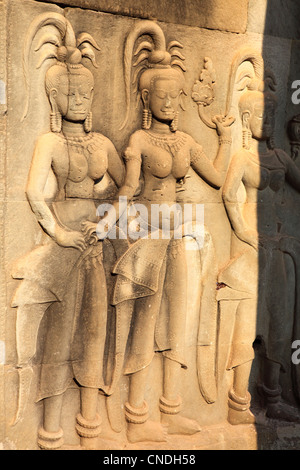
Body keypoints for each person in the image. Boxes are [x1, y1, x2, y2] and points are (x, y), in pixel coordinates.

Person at [91, 20, 234, 443]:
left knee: (180, 320)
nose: (171, 101)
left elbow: (218, 178)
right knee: (144, 321)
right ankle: (136, 416)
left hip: (181, 234)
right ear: (146, 97)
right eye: (162, 95)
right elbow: (129, 187)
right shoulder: (139, 140)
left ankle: (169, 408)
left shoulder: (187, 141)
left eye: (176, 94)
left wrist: (226, 138)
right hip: (148, 233)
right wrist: (106, 222)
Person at [12, 12, 124, 449]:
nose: (78, 99)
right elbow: (33, 193)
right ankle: (50, 430)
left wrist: (110, 214)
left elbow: (123, 187)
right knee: (59, 338)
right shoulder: (50, 142)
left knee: (96, 332)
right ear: (55, 99)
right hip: (63, 247)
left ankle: (91, 428)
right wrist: (57, 233)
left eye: (84, 93)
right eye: (69, 93)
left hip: (95, 245)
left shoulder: (102, 145)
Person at [221, 80, 300, 423]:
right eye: (259, 115)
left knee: (280, 322)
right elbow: (227, 194)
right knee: (247, 323)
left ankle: (273, 396)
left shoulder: (281, 157)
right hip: (253, 247)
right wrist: (241, 228)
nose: (266, 122)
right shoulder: (241, 157)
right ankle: (239, 399)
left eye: (271, 116)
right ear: (247, 118)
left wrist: (295, 141)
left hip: (279, 246)